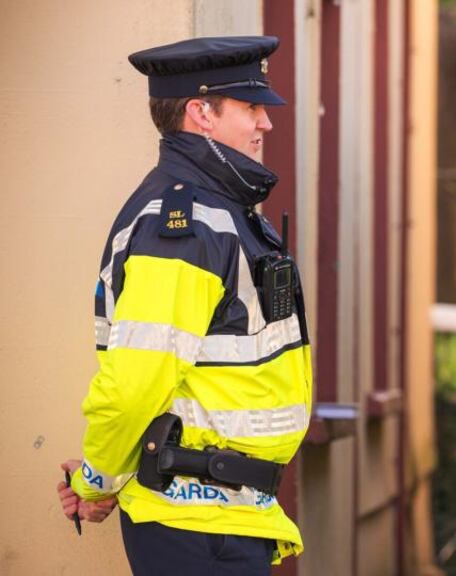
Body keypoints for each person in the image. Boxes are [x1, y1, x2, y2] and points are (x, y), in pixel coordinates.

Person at [54, 36, 312, 575]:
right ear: (202, 114)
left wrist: (99, 480)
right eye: (251, 107)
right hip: (196, 528)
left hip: (224, 521)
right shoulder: (187, 224)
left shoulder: (223, 211)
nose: (265, 123)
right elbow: (135, 384)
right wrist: (97, 480)